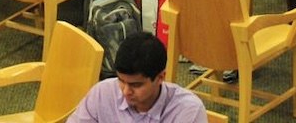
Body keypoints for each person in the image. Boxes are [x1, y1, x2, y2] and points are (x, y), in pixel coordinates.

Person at [67, 32, 207, 123]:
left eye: (136, 85)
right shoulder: (102, 93)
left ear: (160, 77)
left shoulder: (187, 111)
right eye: (121, 81)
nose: (126, 91)